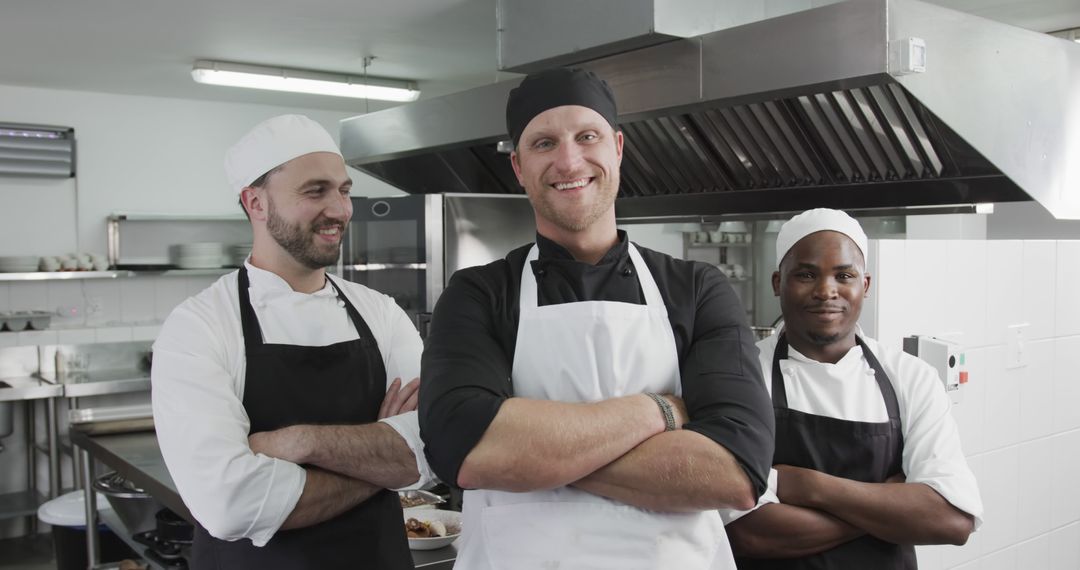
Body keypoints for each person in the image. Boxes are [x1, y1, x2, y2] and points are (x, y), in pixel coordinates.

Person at [418, 67, 775, 570]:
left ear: (618, 148)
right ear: (519, 167)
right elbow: (461, 450)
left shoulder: (697, 288)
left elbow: (737, 474)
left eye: (587, 136)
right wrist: (661, 412)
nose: (569, 160)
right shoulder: (478, 293)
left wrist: (528, 456)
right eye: (544, 143)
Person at [151, 114, 434, 569]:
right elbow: (230, 504)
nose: (341, 210)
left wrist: (298, 442)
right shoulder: (200, 326)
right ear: (255, 202)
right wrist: (382, 465)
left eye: (344, 191)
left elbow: (432, 449)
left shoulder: (380, 311)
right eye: (315, 191)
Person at [724, 208, 983, 569]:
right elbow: (748, 531)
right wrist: (892, 504)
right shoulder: (743, 378)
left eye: (843, 275)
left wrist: (807, 486)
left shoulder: (910, 378)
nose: (826, 291)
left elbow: (952, 521)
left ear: (865, 285)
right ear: (777, 283)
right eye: (805, 274)